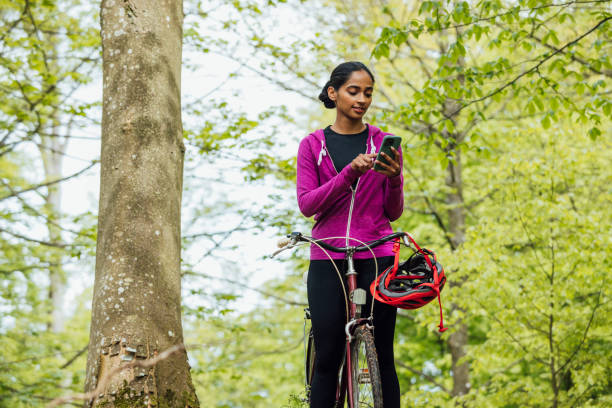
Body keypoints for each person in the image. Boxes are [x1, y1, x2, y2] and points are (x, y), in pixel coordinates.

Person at [296, 61, 403, 408]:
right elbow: (307, 204)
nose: (362, 99)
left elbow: (393, 211)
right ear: (334, 93)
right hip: (327, 256)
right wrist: (347, 175)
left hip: (377, 253)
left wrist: (395, 176)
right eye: (353, 91)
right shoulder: (312, 145)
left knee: (383, 354)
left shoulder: (383, 142)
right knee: (328, 358)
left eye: (367, 92)